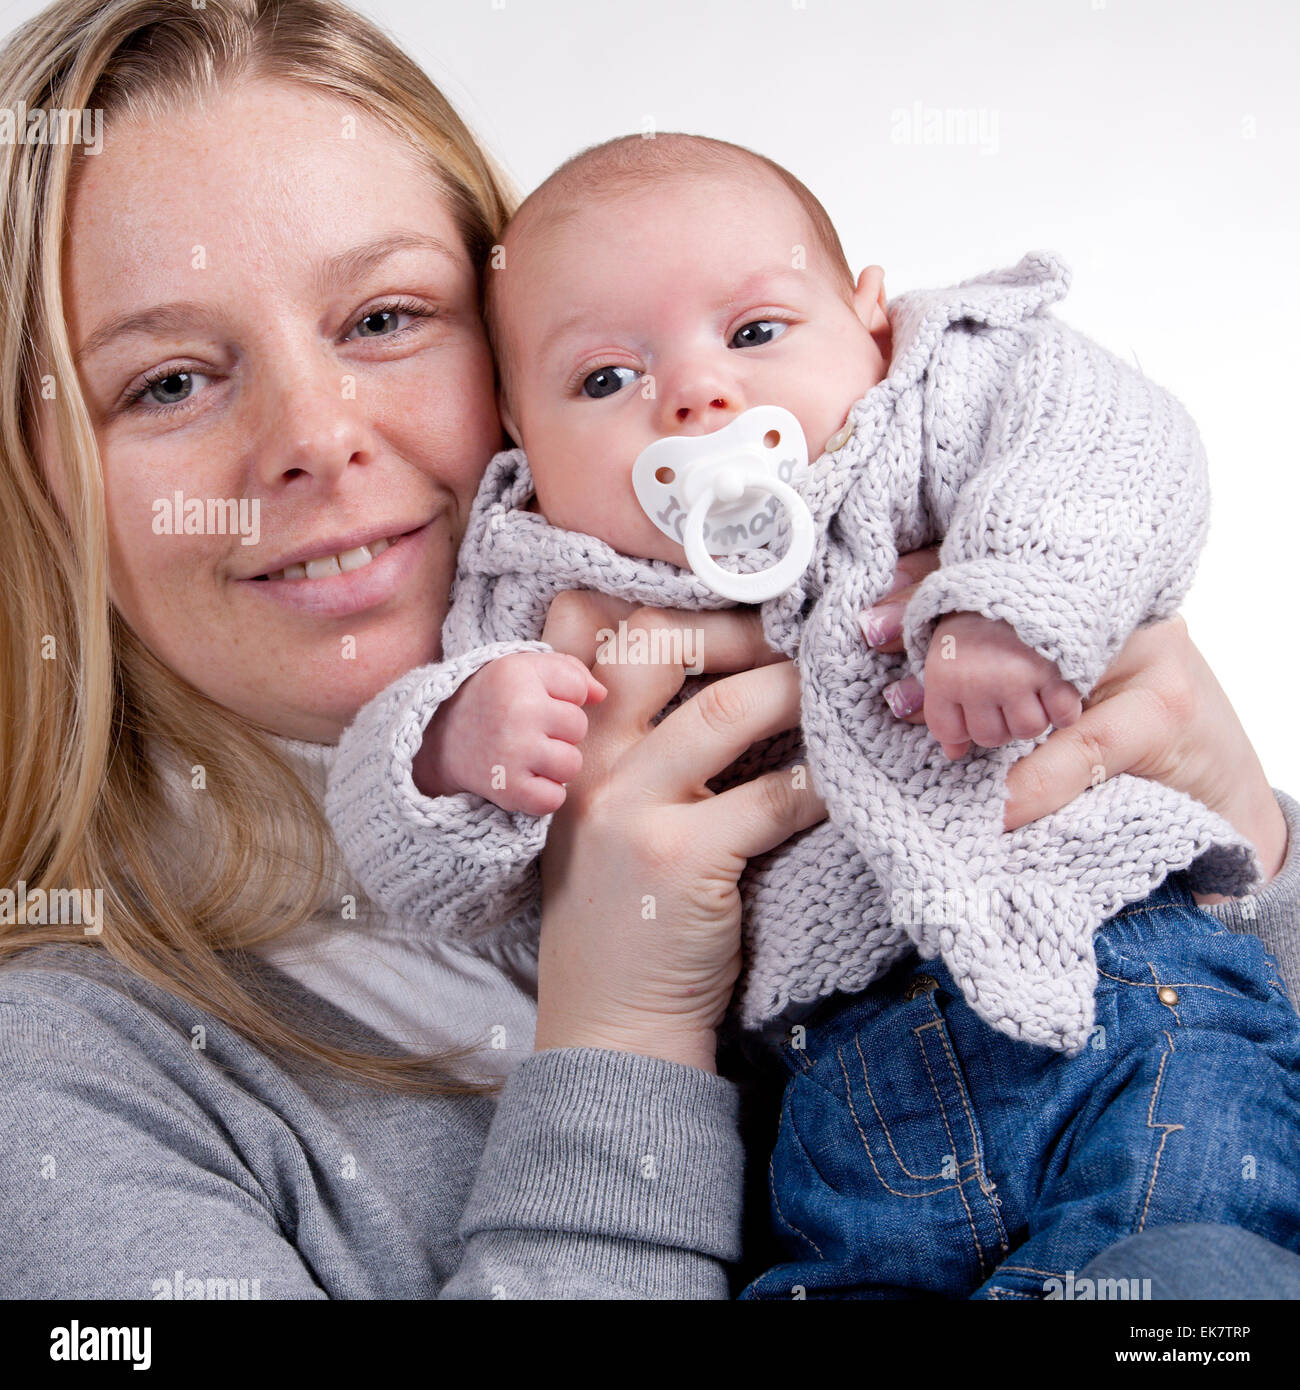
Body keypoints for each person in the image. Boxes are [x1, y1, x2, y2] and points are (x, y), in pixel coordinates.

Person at [0, 0, 1295, 1300]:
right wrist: (622, 1036)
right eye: (166, 381)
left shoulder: (918, 522)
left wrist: (1252, 855)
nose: (316, 433)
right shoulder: (62, 1082)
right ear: (37, 487)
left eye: (387, 317)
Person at [319, 131, 1300, 1298]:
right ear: (521, 443)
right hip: (832, 1091)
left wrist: (1009, 602)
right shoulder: (538, 579)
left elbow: (1116, 453)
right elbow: (404, 855)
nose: (694, 393)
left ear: (874, 323)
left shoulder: (937, 401)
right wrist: (453, 744)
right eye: (602, 380)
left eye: (753, 333)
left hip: (1124, 999)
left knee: (1191, 1271)